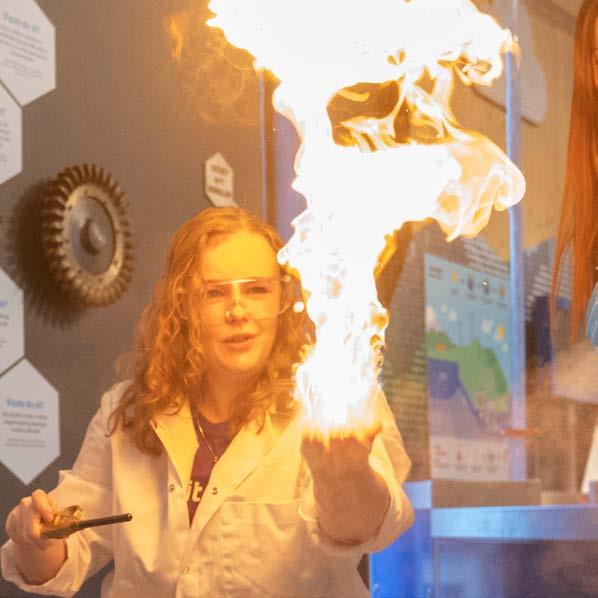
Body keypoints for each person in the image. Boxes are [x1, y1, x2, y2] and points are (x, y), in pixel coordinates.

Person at [2, 207, 414, 597]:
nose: (238, 311)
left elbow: (364, 530)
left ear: (281, 299)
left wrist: (345, 474)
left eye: (256, 289)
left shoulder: (333, 399)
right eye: (214, 293)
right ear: (184, 304)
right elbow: (68, 551)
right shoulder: (127, 409)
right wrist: (34, 539)